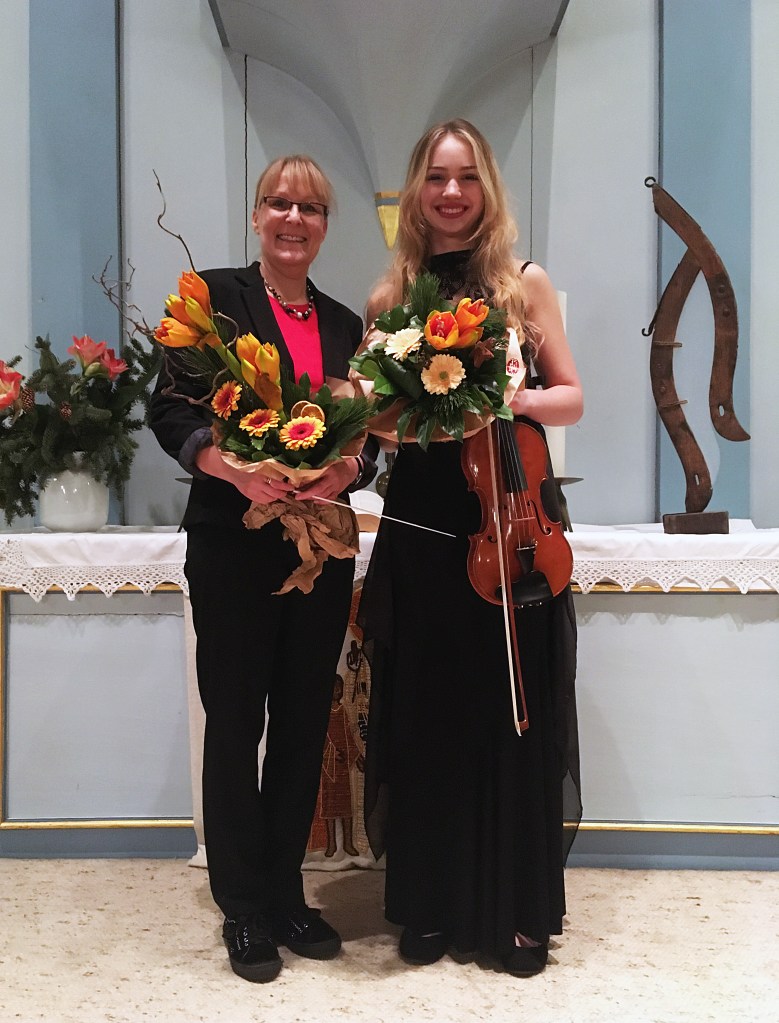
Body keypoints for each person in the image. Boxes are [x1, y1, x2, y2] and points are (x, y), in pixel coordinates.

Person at [356, 119, 583, 977]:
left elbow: (571, 397)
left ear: (487, 188)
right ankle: (428, 902)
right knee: (428, 711)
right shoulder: (391, 297)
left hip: (510, 518)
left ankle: (517, 909)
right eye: (436, 178)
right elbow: (376, 421)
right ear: (416, 192)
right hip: (424, 523)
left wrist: (509, 399)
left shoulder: (523, 284)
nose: (451, 193)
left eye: (466, 177)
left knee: (508, 716)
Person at [149, 155, 377, 983]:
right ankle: (241, 906)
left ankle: (285, 893)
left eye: (310, 207)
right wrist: (229, 466)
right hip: (233, 543)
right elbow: (168, 408)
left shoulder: (346, 324)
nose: (293, 218)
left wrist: (346, 471)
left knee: (303, 723)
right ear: (257, 216)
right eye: (279, 202)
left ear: (324, 226)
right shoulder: (213, 299)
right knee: (237, 719)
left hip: (317, 550)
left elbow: (369, 436)